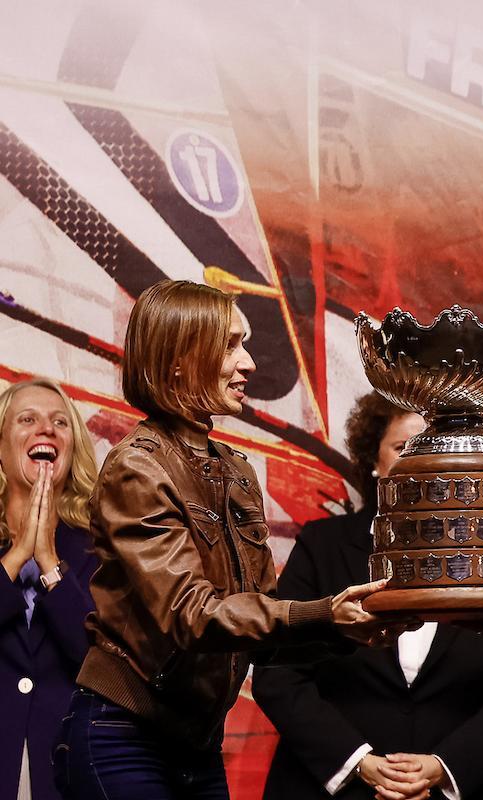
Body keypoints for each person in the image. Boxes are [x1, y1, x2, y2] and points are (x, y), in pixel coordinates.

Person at [54, 279, 390, 800]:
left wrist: (348, 629)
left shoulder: (236, 471)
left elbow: (257, 625)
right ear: (179, 360)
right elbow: (192, 616)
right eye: (230, 345)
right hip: (124, 735)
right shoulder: (137, 468)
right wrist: (325, 612)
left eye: (243, 344)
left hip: (199, 745)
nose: (248, 363)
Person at [253, 392, 483, 800]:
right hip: (327, 789)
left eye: (436, 449)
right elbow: (278, 673)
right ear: (373, 461)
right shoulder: (322, 547)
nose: (422, 462)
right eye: (404, 448)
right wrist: (358, 762)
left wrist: (443, 767)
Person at [0, 379, 99, 800]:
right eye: (28, 419)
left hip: (68, 770)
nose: (46, 429)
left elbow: (99, 660)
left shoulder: (101, 548)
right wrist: (16, 556)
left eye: (60, 422)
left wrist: (48, 561)